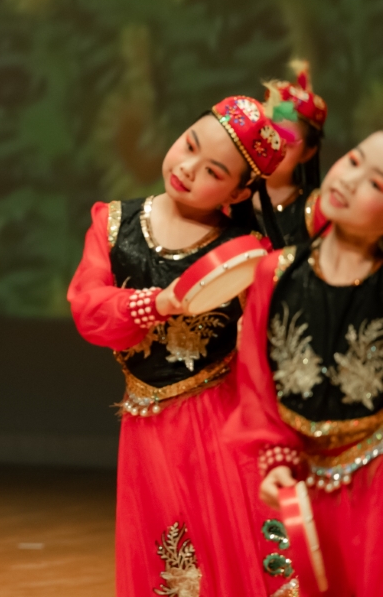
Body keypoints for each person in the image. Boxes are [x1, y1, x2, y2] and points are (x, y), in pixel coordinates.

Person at [68, 95, 294, 596]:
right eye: (189, 145)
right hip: (146, 425)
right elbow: (89, 310)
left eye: (213, 170)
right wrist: (158, 303)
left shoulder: (246, 253)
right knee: (164, 554)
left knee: (227, 553)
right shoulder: (114, 222)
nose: (188, 168)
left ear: (240, 191)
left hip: (220, 424)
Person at [227, 131, 383, 596]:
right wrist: (275, 455)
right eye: (353, 160)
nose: (349, 180)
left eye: (376, 184)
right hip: (300, 481)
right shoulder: (275, 272)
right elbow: (257, 378)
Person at [257, 60, 329, 246]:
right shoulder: (229, 190)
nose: (272, 147)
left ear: (308, 152)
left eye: (287, 144)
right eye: (268, 133)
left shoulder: (315, 210)